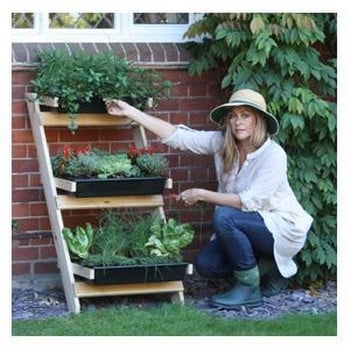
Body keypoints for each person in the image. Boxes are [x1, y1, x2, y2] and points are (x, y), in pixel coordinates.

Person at [106, 89, 313, 309]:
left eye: (245, 116)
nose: (237, 122)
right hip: (244, 225)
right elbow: (179, 137)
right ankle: (269, 265)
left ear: (259, 120)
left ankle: (249, 288)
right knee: (207, 265)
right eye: (233, 116)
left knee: (225, 216)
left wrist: (201, 194)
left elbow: (248, 202)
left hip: (282, 229)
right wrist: (130, 111)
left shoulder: (274, 154)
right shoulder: (223, 142)